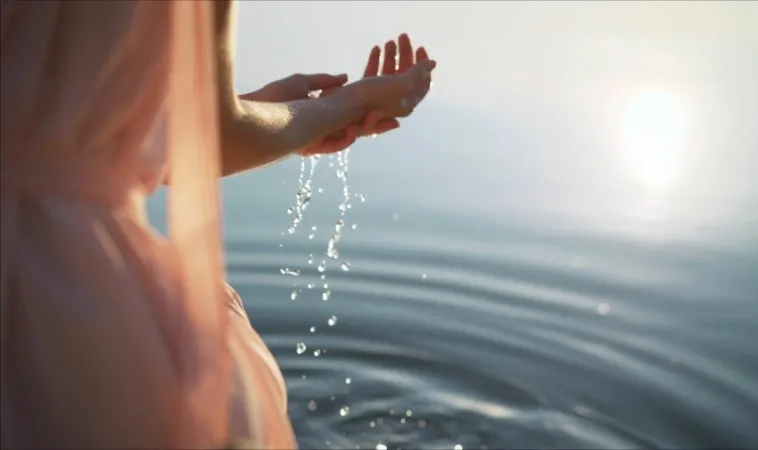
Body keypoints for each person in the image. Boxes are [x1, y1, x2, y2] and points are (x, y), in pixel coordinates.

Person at [0, 1, 436, 448]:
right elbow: (212, 138)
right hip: (64, 281)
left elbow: (51, 144)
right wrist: (343, 106)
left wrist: (267, 108)